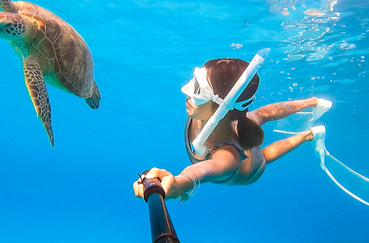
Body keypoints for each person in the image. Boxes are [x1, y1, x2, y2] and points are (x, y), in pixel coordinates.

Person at [133, 57, 332, 201]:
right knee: (261, 114)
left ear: (223, 105)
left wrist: (177, 184)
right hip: (233, 125)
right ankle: (312, 101)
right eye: (194, 83)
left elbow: (200, 171)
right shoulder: (208, 112)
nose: (188, 94)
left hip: (250, 170)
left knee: (263, 156)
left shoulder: (227, 158)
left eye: (199, 91)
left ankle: (309, 135)